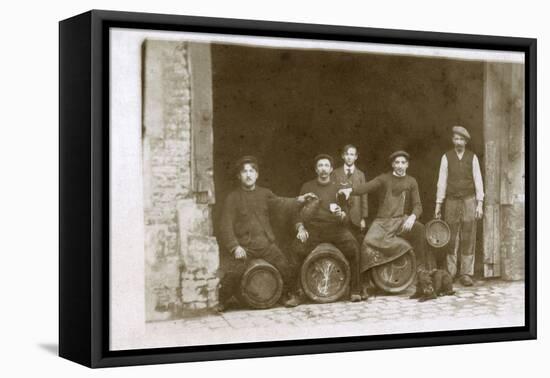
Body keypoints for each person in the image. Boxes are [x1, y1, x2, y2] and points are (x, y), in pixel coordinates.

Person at [217, 156, 316, 311]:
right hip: (245, 247)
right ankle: (221, 301)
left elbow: (281, 203)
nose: (248, 175)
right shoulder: (233, 198)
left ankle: (289, 295)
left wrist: (300, 199)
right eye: (244, 172)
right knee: (233, 274)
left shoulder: (265, 193)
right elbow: (225, 225)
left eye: (252, 171)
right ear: (239, 176)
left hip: (265, 244)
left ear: (257, 175)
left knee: (285, 267)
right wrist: (235, 247)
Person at [289, 154, 363, 305]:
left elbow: (346, 216)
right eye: (320, 166)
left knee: (354, 248)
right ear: (316, 169)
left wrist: (342, 215)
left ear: (331, 169)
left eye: (326, 165)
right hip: (313, 230)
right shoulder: (307, 187)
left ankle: (356, 290)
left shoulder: (339, 187)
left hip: (336, 229)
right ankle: (296, 294)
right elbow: (296, 211)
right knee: (296, 249)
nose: (323, 168)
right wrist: (300, 227)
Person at [339, 151, 428, 276]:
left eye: (403, 163)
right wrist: (350, 190)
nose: (400, 166)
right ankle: (367, 280)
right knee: (367, 242)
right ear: (392, 164)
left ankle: (421, 273)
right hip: (383, 221)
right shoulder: (384, 178)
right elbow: (367, 187)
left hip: (400, 220)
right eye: (397, 163)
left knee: (419, 228)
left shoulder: (411, 181)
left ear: (407, 165)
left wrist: (412, 217)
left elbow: (418, 205)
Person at [435, 126, 484, 286]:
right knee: (451, 235)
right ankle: (450, 272)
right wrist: (438, 204)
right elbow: (441, 182)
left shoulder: (473, 157)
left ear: (466, 141)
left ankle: (466, 273)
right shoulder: (446, 157)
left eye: (461, 139)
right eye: (456, 139)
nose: (459, 142)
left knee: (468, 235)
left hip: (469, 200)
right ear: (452, 140)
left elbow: (478, 181)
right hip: (451, 201)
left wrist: (480, 204)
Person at [332, 144, 369, 242]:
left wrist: (363, 218)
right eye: (347, 154)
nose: (349, 157)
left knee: (356, 242)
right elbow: (332, 194)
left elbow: (364, 197)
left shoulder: (361, 175)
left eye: (352, 155)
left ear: (356, 157)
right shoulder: (335, 173)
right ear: (343, 156)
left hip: (356, 217)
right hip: (341, 216)